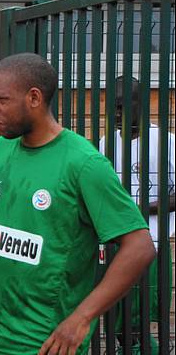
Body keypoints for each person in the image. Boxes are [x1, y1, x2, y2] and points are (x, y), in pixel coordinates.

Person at [0, 53, 156, 355]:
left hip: (44, 343)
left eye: (0, 99)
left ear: (34, 98)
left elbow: (140, 246)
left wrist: (82, 318)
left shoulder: (83, 163)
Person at [99, 76, 175, 354]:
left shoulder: (165, 141)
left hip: (151, 243)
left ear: (141, 104)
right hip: (114, 242)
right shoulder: (106, 142)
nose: (117, 114)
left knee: (141, 318)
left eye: (123, 106)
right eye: (113, 107)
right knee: (116, 319)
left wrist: (140, 208)